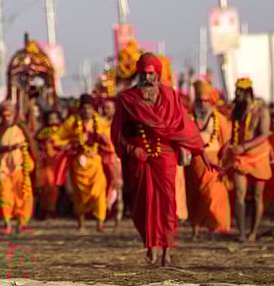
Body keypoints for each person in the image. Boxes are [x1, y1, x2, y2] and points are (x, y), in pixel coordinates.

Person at [111, 53, 211, 266]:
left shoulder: (170, 96)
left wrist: (198, 149)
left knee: (167, 203)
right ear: (139, 74)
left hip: (165, 155)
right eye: (144, 73)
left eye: (151, 73)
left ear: (157, 75)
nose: (148, 77)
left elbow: (183, 126)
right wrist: (130, 149)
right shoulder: (127, 100)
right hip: (140, 157)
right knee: (143, 205)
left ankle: (167, 249)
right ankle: (150, 245)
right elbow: (117, 133)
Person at [220, 78, 272, 242]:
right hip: (240, 158)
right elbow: (233, 133)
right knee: (239, 194)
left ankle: (253, 232)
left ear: (247, 93)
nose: (236, 96)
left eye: (239, 93)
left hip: (258, 156)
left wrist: (244, 146)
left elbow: (263, 135)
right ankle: (242, 232)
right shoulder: (237, 110)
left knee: (257, 196)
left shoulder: (261, 111)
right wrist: (227, 146)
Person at [53, 94, 113, 232]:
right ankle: (81, 224)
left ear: (93, 109)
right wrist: (71, 143)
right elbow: (56, 138)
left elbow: (110, 141)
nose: (87, 111)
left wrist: (102, 139)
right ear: (80, 109)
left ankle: (100, 224)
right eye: (84, 108)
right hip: (78, 163)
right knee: (79, 194)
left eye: (89, 108)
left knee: (99, 193)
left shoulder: (100, 122)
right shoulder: (72, 122)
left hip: (95, 162)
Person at [185, 80, 231, 240]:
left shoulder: (219, 119)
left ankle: (215, 229)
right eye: (199, 101)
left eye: (206, 101)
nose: (203, 104)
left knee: (213, 195)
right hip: (192, 165)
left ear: (210, 102)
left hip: (213, 163)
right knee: (194, 197)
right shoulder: (188, 118)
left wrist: (223, 162)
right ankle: (195, 231)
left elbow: (226, 142)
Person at [0, 101, 37, 233]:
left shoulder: (22, 128)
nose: (7, 117)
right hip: (3, 170)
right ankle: (7, 225)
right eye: (4, 114)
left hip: (19, 168)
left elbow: (31, 146)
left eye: (9, 114)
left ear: (14, 115)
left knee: (23, 195)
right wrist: (7, 148)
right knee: (4, 195)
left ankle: (22, 224)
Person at [35, 110, 62, 220]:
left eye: (55, 118)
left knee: (54, 187)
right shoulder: (42, 131)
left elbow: (64, 142)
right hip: (45, 162)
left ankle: (53, 210)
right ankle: (45, 211)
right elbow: (37, 142)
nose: (52, 121)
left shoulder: (62, 130)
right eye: (50, 118)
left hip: (57, 162)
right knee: (45, 186)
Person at [102, 99, 124, 229]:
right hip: (103, 159)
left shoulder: (120, 124)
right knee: (104, 188)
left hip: (116, 159)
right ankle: (103, 218)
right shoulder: (99, 124)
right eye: (104, 108)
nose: (106, 110)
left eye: (108, 108)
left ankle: (117, 220)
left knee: (117, 188)